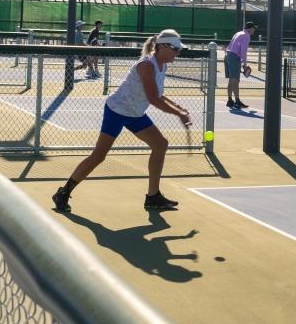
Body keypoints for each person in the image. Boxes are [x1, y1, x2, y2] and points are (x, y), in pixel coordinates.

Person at [52, 30, 192, 213]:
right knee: (99, 156)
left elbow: (159, 94)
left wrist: (178, 108)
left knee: (160, 144)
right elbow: (153, 99)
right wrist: (179, 114)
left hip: (135, 113)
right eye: (176, 49)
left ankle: (153, 197)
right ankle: (63, 193)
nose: (177, 53)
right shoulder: (146, 65)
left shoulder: (162, 65)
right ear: (164, 47)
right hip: (117, 111)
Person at [224, 22, 256, 108]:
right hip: (234, 57)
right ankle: (237, 101)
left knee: (231, 80)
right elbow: (243, 50)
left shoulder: (238, 33)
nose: (254, 30)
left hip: (227, 55)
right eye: (253, 28)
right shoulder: (246, 35)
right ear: (250, 29)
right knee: (235, 80)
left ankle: (230, 100)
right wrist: (244, 64)